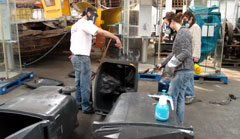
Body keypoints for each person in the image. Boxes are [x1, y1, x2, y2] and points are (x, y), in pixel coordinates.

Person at [70, 7, 122, 114]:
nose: (94, 19)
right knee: (85, 83)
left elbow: (74, 40)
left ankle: (79, 104)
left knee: (78, 82)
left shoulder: (76, 25)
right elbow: (101, 32)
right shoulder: (86, 23)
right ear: (89, 13)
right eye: (94, 16)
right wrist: (115, 38)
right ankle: (87, 107)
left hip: (75, 56)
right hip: (82, 58)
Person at [158, 12, 194, 124]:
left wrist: (172, 63)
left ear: (172, 22)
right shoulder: (180, 33)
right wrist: (163, 63)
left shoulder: (182, 33)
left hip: (183, 71)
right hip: (186, 70)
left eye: (168, 24)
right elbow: (174, 52)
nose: (168, 26)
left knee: (172, 98)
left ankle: (173, 125)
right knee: (180, 98)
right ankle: (179, 123)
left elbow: (185, 52)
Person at [182, 10, 201, 104]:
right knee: (187, 75)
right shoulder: (190, 27)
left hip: (192, 55)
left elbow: (197, 42)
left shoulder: (195, 27)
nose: (185, 21)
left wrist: (196, 56)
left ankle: (190, 95)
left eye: (186, 19)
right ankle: (187, 93)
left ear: (191, 18)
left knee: (189, 76)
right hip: (187, 55)